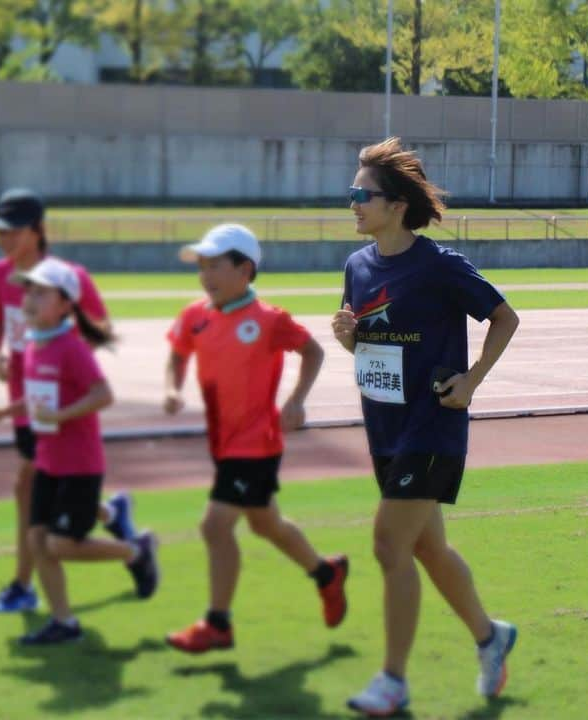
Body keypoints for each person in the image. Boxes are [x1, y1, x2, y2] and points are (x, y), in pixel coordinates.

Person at [331, 138, 520, 716]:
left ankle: (393, 681)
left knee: (390, 545)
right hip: (383, 427)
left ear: (396, 205)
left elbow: (504, 317)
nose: (354, 204)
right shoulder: (357, 266)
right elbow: (369, 340)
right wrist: (349, 339)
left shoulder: (439, 266)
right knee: (429, 550)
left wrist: (472, 381)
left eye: (363, 195)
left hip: (433, 427)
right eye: (352, 194)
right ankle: (491, 637)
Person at [163, 223, 349, 654]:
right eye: (201, 266)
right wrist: (174, 389)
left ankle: (218, 624)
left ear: (245, 269)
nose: (205, 275)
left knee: (215, 525)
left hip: (256, 444)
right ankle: (326, 574)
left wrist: (297, 401)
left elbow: (313, 351)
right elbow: (177, 353)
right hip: (223, 444)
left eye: (215, 265)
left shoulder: (268, 320)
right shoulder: (195, 315)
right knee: (265, 524)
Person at [0, 188, 138, 614]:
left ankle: (23, 585)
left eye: (11, 232)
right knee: (42, 485)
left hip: (60, 404)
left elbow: (100, 325)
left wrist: (63, 349)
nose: (3, 240)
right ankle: (109, 514)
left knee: (27, 485)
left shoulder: (70, 277)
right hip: (24, 399)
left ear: (36, 231)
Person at [0, 258, 159, 644]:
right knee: (37, 541)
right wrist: (6, 410)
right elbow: (35, 398)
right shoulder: (34, 344)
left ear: (66, 304)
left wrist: (63, 414)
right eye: (27, 291)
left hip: (79, 466)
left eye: (40, 292)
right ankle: (64, 623)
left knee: (59, 544)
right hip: (48, 463)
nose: (28, 299)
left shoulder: (71, 348)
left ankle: (135, 551)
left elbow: (104, 394)